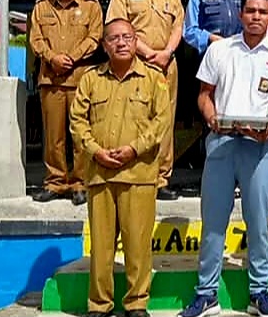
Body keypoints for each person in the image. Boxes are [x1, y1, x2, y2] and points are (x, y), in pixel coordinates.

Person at [181, 0, 268, 317]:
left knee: (258, 223)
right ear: (241, 14)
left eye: (263, 11)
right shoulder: (220, 51)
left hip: (259, 147)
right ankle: (206, 294)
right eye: (250, 11)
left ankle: (259, 291)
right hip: (221, 141)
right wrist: (211, 116)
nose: (256, 16)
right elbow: (204, 94)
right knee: (213, 221)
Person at [69, 18, 170, 317]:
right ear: (104, 45)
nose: (121, 43)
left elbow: (160, 122)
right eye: (114, 38)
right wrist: (95, 151)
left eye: (127, 37)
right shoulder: (91, 78)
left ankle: (136, 303)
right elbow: (77, 120)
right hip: (100, 173)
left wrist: (133, 149)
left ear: (137, 40)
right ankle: (99, 304)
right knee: (101, 245)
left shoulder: (154, 78)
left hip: (138, 174)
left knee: (138, 243)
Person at [106, 0, 185, 201]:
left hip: (166, 65)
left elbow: (178, 27)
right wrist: (149, 53)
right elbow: (118, 27)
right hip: (134, 63)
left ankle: (161, 178)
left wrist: (167, 53)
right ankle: (135, 171)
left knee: (164, 119)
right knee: (134, 118)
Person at [29, 0, 103, 205]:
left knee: (80, 134)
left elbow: (95, 38)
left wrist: (70, 58)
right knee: (53, 137)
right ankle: (55, 182)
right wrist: (52, 58)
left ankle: (81, 182)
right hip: (51, 79)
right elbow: (35, 40)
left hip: (81, 78)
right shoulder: (41, 7)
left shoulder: (92, 7)